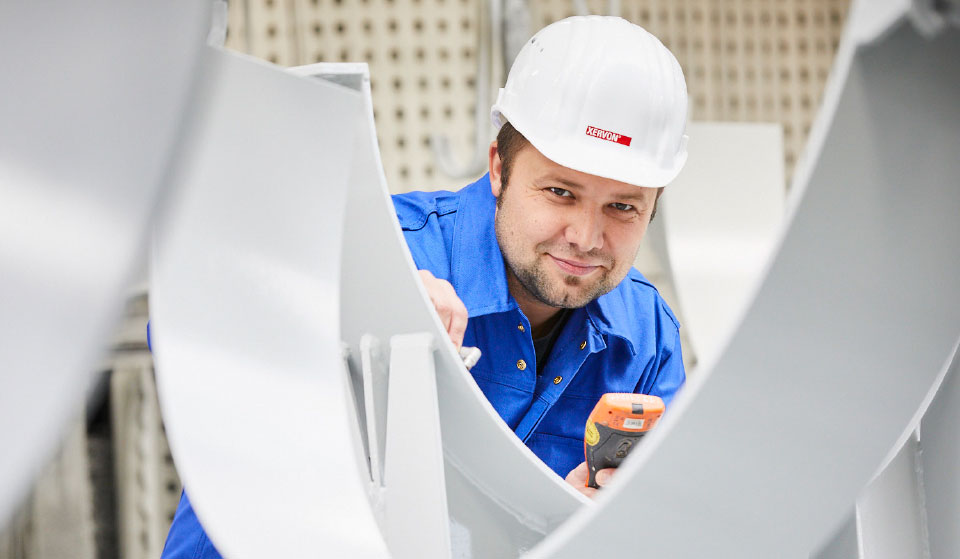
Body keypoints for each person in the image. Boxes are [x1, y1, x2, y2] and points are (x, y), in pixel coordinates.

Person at [162, 15, 688, 558]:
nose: (585, 237)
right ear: (498, 170)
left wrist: (582, 532)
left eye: (622, 206)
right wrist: (359, 306)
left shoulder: (646, 338)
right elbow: (189, 322)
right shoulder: (378, 247)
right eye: (560, 192)